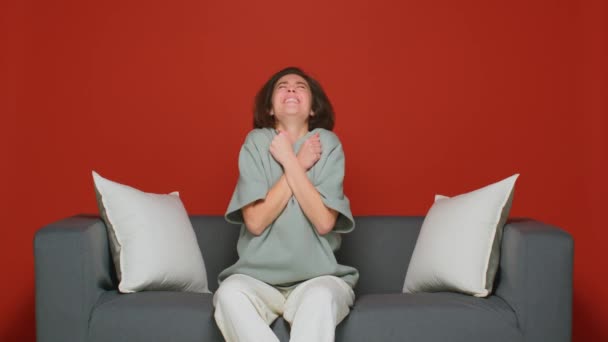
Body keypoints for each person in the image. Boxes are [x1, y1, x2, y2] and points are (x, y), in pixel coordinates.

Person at [214, 66, 358, 342]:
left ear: (313, 108)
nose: (291, 89)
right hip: (257, 280)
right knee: (229, 295)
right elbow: (255, 222)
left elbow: (324, 221)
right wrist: (300, 162)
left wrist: (290, 160)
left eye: (300, 86)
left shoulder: (326, 143)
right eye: (282, 86)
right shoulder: (256, 143)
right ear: (269, 108)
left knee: (321, 298)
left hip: (318, 278)